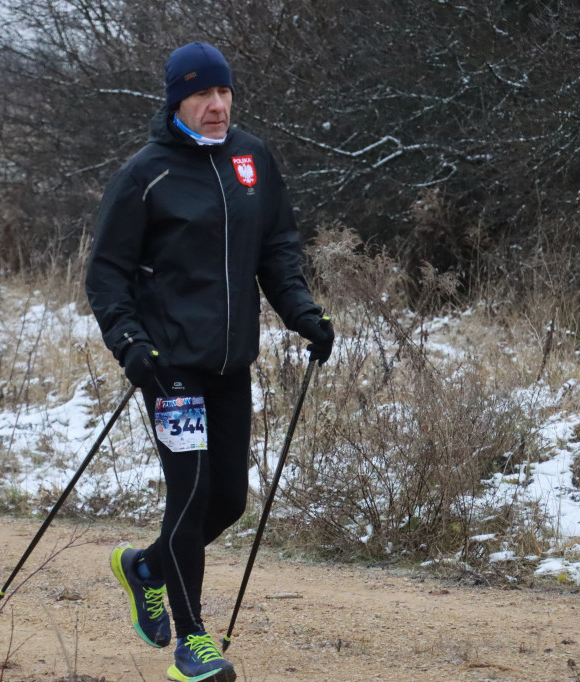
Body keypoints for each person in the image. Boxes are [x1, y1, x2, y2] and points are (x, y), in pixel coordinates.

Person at [85, 41, 334, 682]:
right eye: (202, 95)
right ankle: (193, 643)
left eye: (224, 93)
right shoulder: (147, 174)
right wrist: (130, 343)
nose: (218, 105)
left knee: (227, 500)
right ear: (177, 101)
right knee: (190, 492)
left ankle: (145, 568)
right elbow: (107, 274)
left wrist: (304, 314)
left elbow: (276, 249)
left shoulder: (252, 159)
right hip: (170, 363)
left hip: (230, 360)